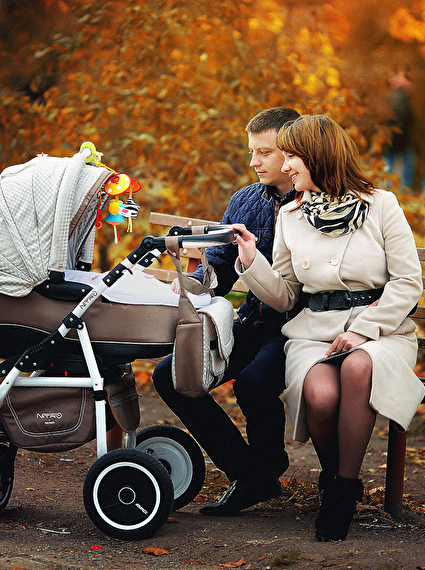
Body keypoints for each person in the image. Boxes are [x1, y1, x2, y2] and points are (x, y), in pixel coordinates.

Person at [233, 115, 425, 541]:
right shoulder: (291, 215)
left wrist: (364, 329)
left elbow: (408, 282)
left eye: (292, 157)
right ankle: (336, 474)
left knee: (358, 366)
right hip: (314, 331)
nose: (285, 167)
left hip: (383, 331)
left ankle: (341, 492)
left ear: (318, 156)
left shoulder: (381, 205)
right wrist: (251, 261)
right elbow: (286, 295)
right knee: (320, 397)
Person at [152, 106, 301, 516]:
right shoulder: (245, 201)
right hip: (252, 321)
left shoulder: (314, 204)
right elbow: (217, 268)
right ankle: (251, 473)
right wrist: (186, 284)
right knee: (170, 375)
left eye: (264, 153)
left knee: (253, 383)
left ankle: (263, 470)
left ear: (293, 152)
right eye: (251, 151)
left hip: (299, 329)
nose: (254, 162)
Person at [383, 69, 416, 189]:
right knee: (400, 172)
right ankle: (401, 193)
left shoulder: (396, 98)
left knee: (390, 171)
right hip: (398, 146)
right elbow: (399, 123)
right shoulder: (399, 99)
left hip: (395, 145)